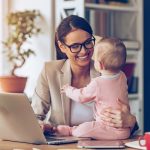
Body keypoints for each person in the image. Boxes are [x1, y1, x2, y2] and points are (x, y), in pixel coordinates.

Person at [31, 15, 137, 136]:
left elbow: (129, 125)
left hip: (101, 144)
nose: (84, 51)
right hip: (63, 144)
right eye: (75, 46)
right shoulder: (49, 71)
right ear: (62, 47)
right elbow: (35, 115)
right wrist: (40, 125)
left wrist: (130, 120)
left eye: (88, 42)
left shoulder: (109, 72)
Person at [57, 37, 130, 140]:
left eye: (94, 59)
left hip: (107, 127)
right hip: (125, 130)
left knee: (86, 128)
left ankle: (71, 130)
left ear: (100, 65)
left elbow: (81, 96)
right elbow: (112, 48)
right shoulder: (122, 76)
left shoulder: (98, 83)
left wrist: (68, 90)